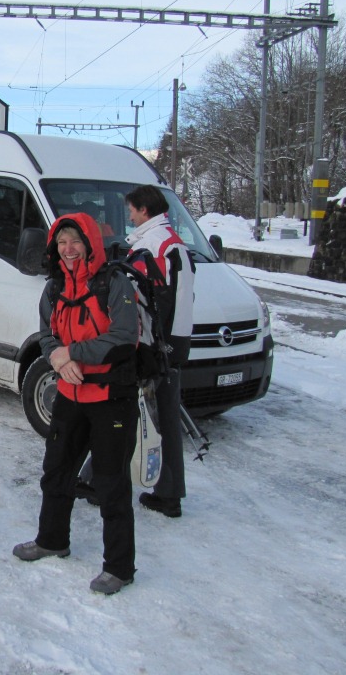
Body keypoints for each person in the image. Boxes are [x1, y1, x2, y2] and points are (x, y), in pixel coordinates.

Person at [13, 212, 141, 596]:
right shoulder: (53, 287)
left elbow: (124, 338)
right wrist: (58, 358)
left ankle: (119, 567)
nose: (68, 250)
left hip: (110, 397)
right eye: (62, 243)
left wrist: (73, 353)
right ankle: (52, 539)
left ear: (89, 244)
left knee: (110, 483)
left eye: (75, 242)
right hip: (69, 394)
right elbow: (47, 332)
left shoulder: (114, 283)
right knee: (56, 471)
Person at [125, 184, 195, 518]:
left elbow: (151, 299)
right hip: (173, 340)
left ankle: (96, 481)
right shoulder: (173, 242)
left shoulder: (153, 245)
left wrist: (149, 344)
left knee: (134, 413)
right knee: (159, 417)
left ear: (143, 210)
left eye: (131, 210)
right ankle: (168, 492)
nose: (129, 215)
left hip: (153, 344)